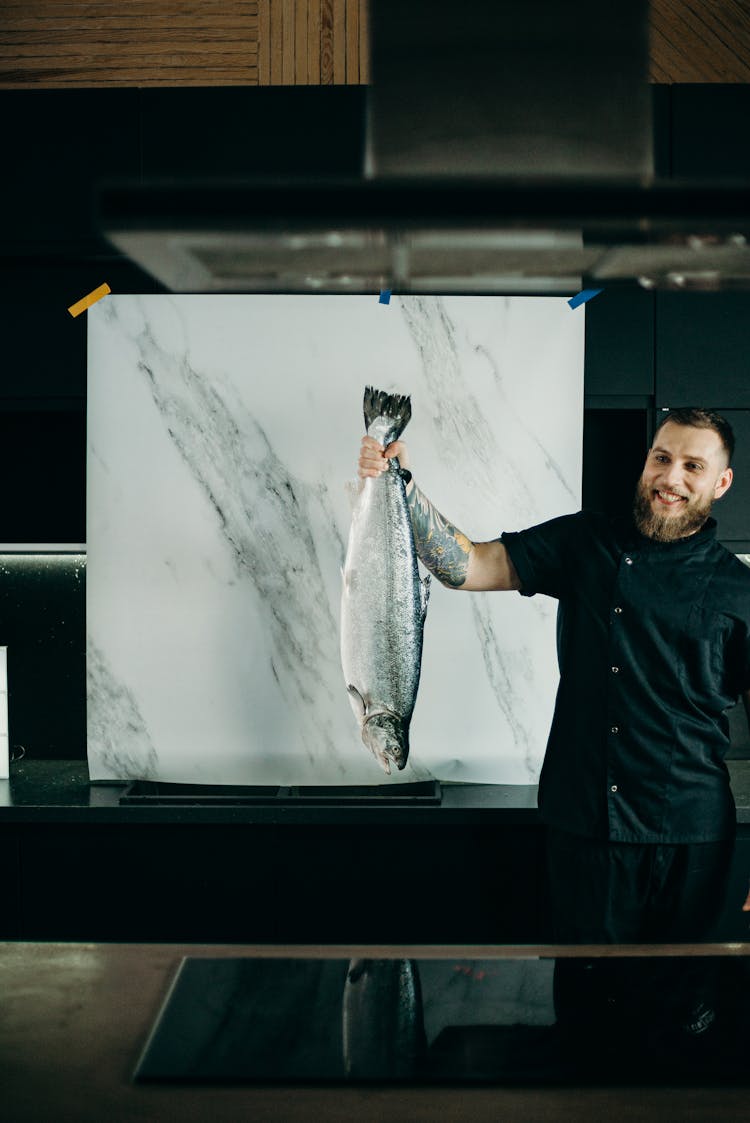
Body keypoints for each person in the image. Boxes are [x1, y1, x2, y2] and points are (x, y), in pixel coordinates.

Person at [358, 406, 750, 1062]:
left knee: (688, 1024)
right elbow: (470, 566)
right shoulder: (586, 543)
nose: (670, 476)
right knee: (589, 1019)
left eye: (691, 465)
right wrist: (400, 487)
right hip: (587, 832)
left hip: (693, 841)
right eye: (661, 457)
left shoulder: (741, 589)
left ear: (721, 483)